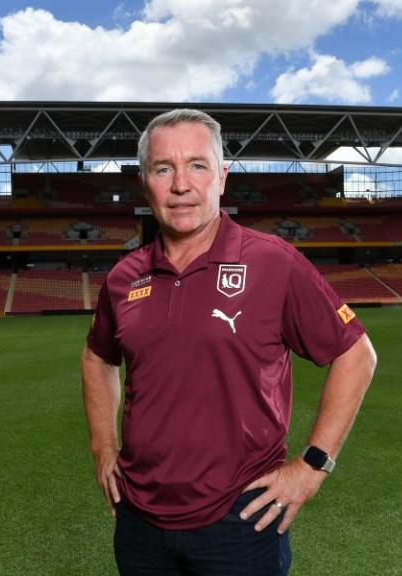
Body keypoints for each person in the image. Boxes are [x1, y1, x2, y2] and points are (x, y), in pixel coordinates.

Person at [81, 109, 377, 575]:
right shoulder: (125, 276)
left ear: (222, 177)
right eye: (164, 168)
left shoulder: (272, 262)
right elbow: (98, 356)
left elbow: (355, 353)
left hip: (240, 519)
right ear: (146, 181)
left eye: (198, 165)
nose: (181, 184)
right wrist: (103, 446)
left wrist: (313, 465)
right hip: (138, 520)